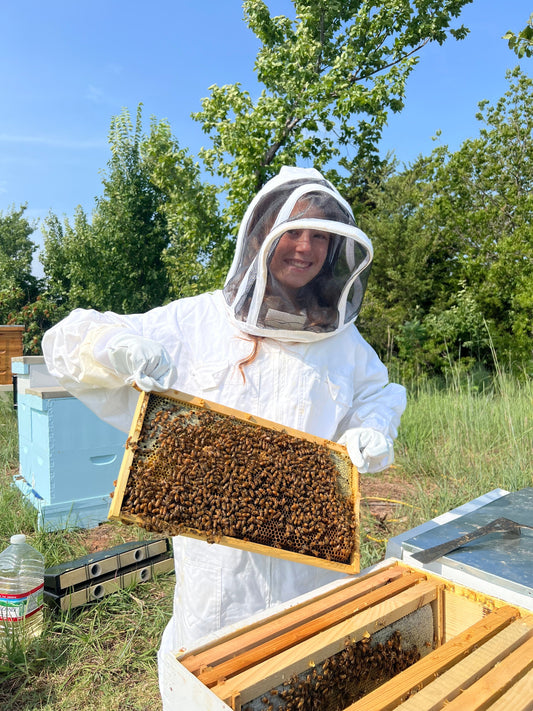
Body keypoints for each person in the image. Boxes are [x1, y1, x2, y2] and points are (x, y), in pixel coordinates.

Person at [42, 165, 406, 703]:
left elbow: (377, 394)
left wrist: (371, 430)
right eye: (294, 231)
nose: (305, 247)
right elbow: (67, 339)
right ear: (263, 235)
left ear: (336, 251)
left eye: (321, 236)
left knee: (308, 680)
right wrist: (111, 346)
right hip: (218, 573)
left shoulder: (344, 343)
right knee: (214, 687)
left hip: (315, 567)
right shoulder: (197, 323)